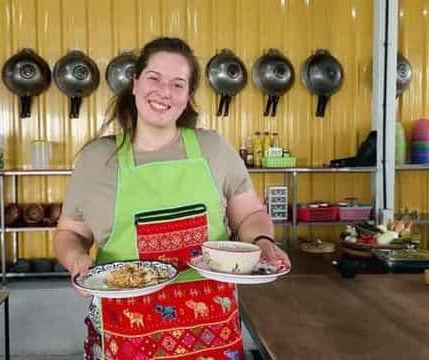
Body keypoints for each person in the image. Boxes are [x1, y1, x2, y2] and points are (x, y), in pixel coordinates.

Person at [54, 37, 291, 360]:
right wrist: (76, 260)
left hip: (211, 332)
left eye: (178, 83)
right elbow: (69, 233)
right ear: (135, 83)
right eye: (154, 78)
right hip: (125, 330)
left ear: (188, 96)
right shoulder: (98, 159)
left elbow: (249, 215)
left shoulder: (214, 149)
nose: (164, 91)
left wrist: (262, 240)